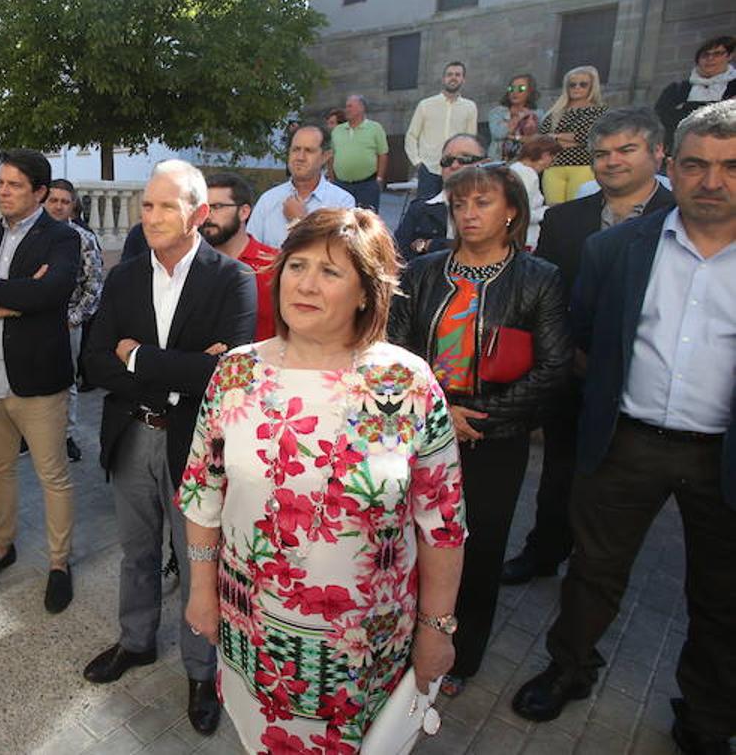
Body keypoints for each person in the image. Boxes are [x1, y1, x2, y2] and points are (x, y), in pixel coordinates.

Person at [181, 207, 467, 753]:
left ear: (366, 292)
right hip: (254, 629)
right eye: (297, 265)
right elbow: (203, 492)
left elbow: (443, 524)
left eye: (331, 272)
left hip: (364, 650)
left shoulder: (406, 382)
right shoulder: (236, 373)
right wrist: (200, 593)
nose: (306, 284)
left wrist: (437, 627)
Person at [512, 101, 736, 755]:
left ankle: (706, 716)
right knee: (594, 570)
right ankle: (570, 668)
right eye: (695, 165)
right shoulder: (615, 248)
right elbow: (579, 338)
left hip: (723, 455)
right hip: (627, 440)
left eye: (729, 166)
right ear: (673, 164)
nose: (711, 181)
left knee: (722, 596)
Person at [81, 159, 256, 737]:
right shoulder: (125, 277)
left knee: (198, 561)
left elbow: (225, 377)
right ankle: (136, 641)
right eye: (146, 205)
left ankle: (202, 672)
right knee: (136, 552)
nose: (150, 216)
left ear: (199, 214)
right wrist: (180, 371)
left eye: (165, 205)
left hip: (196, 449)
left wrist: (136, 357)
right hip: (132, 433)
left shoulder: (233, 279)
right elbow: (94, 362)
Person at [388, 162, 571, 697]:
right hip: (422, 430)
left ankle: (459, 656)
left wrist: (483, 419)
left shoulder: (541, 278)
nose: (468, 214)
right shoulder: (423, 272)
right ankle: (400, 641)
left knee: (480, 545)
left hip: (494, 436)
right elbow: (394, 353)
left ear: (512, 210)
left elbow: (554, 369)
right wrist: (441, 413)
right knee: (408, 538)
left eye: (482, 203)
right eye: (460, 204)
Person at [502, 108, 675, 587]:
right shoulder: (565, 219)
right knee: (560, 475)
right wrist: (565, 356)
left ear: (658, 152)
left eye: (626, 150)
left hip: (650, 383)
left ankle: (594, 574)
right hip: (574, 373)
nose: (612, 162)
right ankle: (544, 552)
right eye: (602, 153)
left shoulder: (681, 215)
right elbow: (547, 297)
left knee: (620, 491)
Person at [0, 149, 80, 613]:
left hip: (38, 378)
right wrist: (8, 299)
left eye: (14, 185)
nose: (2, 191)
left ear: (40, 192)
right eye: (1, 182)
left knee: (52, 476)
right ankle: (2, 547)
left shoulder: (61, 237)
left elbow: (52, 292)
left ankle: (59, 564)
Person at [44, 179, 103, 463]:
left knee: (67, 382)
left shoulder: (84, 238)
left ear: (72, 205)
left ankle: (66, 436)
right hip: (27, 321)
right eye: (53, 200)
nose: (58, 205)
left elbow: (94, 284)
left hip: (67, 321)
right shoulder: (29, 235)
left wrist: (75, 319)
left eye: (64, 201)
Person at [245, 124, 355, 248]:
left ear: (325, 156)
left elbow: (340, 254)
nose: (300, 157)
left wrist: (299, 221)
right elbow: (250, 252)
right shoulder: (268, 200)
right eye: (296, 149)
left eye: (309, 151)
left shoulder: (341, 202)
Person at [202, 172, 279, 341]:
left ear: (244, 212)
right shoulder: (191, 266)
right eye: (204, 208)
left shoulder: (275, 264)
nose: (207, 216)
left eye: (217, 207)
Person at [392, 134, 488, 262]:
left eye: (465, 159)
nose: (454, 166)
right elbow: (397, 259)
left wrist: (431, 245)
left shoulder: (496, 209)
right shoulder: (420, 209)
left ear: (485, 163)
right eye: (447, 160)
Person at [405, 61, 479, 200]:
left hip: (456, 170)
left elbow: (470, 140)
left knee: (452, 212)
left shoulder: (470, 107)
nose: (453, 78)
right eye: (449, 74)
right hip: (429, 170)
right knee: (426, 212)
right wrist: (418, 163)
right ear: (443, 78)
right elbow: (411, 135)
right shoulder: (426, 105)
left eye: (458, 75)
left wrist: (466, 166)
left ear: (463, 79)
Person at [539, 65, 608, 205]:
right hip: (554, 166)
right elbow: (544, 137)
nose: (577, 88)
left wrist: (556, 136)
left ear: (591, 87)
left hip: (583, 166)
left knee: (577, 209)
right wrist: (575, 138)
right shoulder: (556, 111)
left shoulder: (599, 111)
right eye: (572, 84)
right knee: (553, 211)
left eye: (583, 84)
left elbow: (589, 136)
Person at [654, 35, 736, 149]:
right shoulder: (676, 90)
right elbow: (661, 121)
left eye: (717, 54)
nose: (710, 59)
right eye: (705, 55)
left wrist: (687, 109)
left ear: (730, 56)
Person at [330, 94, 389, 212]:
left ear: (361, 108)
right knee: (340, 222)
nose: (346, 110)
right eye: (346, 106)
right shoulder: (337, 130)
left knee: (366, 223)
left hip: (367, 185)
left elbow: (383, 154)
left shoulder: (375, 128)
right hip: (341, 185)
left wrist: (379, 179)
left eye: (350, 106)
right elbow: (332, 155)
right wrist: (332, 179)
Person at [508, 134, 558, 249]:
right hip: (526, 239)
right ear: (545, 155)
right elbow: (524, 214)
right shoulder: (528, 175)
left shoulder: (515, 168)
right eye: (552, 156)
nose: (553, 162)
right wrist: (551, 211)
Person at [488, 73, 542, 160]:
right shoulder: (497, 112)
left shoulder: (537, 114)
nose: (514, 92)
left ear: (529, 92)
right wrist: (519, 117)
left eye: (521, 88)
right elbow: (499, 133)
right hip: (498, 161)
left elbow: (536, 140)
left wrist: (513, 137)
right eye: (511, 88)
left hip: (525, 161)